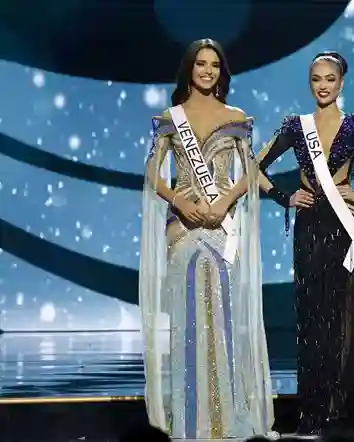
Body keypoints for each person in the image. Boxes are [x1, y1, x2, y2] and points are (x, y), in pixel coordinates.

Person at [257, 51, 354, 438]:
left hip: (345, 226)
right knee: (312, 319)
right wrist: (283, 196)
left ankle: (351, 413)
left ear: (341, 83)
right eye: (316, 79)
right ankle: (313, 413)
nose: (323, 86)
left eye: (330, 79)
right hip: (309, 226)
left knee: (347, 317)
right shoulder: (297, 127)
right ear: (310, 83)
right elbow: (252, 165)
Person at [139, 38, 274, 440]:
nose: (208, 71)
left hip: (222, 224)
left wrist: (226, 202)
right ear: (190, 68)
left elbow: (251, 171)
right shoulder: (171, 118)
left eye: (215, 65)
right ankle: (191, 420)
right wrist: (178, 200)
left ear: (221, 72)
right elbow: (152, 172)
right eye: (201, 63)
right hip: (182, 225)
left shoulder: (236, 118)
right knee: (188, 317)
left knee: (224, 316)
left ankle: (225, 419)